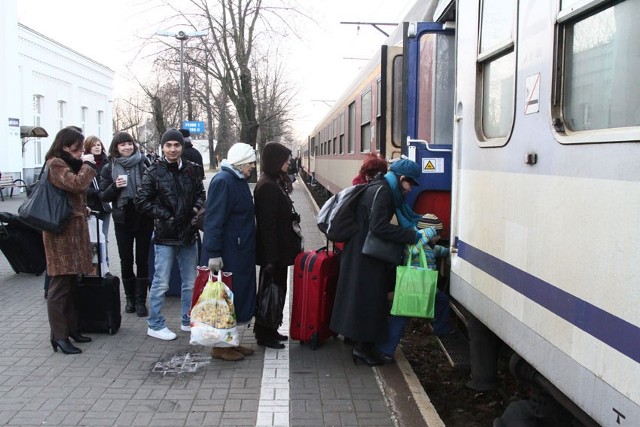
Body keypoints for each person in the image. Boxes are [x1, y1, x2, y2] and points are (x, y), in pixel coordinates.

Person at [330, 158, 422, 366]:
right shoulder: (384, 192)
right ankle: (362, 349)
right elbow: (379, 227)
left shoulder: (378, 186)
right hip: (367, 255)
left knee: (357, 296)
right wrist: (411, 236)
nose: (410, 189)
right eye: (410, 184)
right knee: (370, 300)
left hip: (359, 250)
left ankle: (354, 339)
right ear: (402, 178)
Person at [135, 129, 206, 340]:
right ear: (162, 147)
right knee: (161, 283)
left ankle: (187, 319)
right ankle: (155, 324)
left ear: (182, 147)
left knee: (190, 282)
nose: (173, 149)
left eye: (176, 145)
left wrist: (194, 211)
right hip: (165, 236)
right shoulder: (153, 171)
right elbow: (142, 201)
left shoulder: (192, 170)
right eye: (168, 145)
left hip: (188, 234)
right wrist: (166, 216)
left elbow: (201, 194)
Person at [202, 142, 258, 361]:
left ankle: (231, 341)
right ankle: (220, 346)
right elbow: (214, 220)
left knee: (234, 297)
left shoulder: (235, 179)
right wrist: (213, 252)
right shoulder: (224, 181)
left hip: (237, 249)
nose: (253, 166)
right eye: (250, 162)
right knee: (224, 298)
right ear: (240, 162)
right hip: (227, 252)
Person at [43, 127, 97, 354]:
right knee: (59, 285)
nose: (80, 151)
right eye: (77, 147)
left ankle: (72, 328)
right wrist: (89, 165)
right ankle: (59, 336)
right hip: (60, 234)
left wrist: (82, 208)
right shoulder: (55, 164)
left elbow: (70, 193)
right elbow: (76, 184)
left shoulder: (64, 163)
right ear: (66, 146)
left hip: (72, 230)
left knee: (72, 283)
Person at [375, 213, 452, 363]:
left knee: (402, 318)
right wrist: (429, 230)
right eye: (437, 234)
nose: (438, 238)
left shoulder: (428, 247)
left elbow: (439, 250)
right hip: (416, 288)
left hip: (419, 288)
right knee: (402, 318)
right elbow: (422, 238)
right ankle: (385, 350)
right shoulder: (414, 245)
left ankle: (385, 350)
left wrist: (450, 251)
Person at [99, 132, 154, 317]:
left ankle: (140, 301)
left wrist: (145, 190)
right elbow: (103, 196)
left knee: (142, 259)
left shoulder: (144, 162)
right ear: (116, 147)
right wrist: (115, 186)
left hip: (144, 217)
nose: (127, 148)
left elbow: (155, 187)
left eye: (129, 144)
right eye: (122, 145)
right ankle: (130, 298)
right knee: (126, 260)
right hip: (123, 218)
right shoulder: (109, 168)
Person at [254, 142, 302, 350]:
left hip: (279, 250)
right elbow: (267, 226)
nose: (289, 161)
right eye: (285, 158)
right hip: (273, 253)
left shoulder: (274, 182)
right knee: (269, 293)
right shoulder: (267, 186)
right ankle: (265, 333)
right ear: (275, 160)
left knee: (277, 290)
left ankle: (271, 328)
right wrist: (271, 258)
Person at [84, 136, 111, 261]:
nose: (97, 147)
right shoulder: (84, 163)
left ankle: (105, 266)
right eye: (94, 145)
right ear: (88, 147)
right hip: (91, 205)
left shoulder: (108, 162)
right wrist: (96, 192)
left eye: (99, 145)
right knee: (92, 239)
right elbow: (82, 186)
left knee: (104, 237)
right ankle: (95, 268)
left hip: (104, 205)